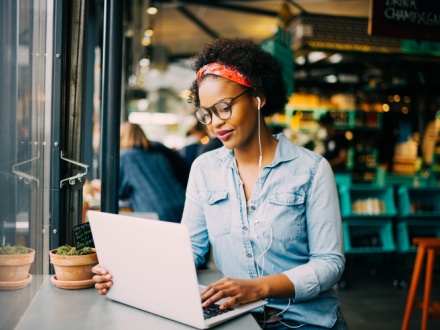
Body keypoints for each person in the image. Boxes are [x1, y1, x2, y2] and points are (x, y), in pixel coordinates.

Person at [93, 38, 347, 329]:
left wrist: (259, 288)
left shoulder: (311, 170)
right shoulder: (205, 169)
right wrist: (125, 273)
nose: (215, 123)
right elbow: (188, 249)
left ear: (258, 98)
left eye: (224, 107)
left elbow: (329, 264)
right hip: (238, 319)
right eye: (207, 113)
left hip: (306, 323)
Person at [118, 122, 186, 222]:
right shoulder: (158, 155)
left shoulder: (125, 157)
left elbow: (120, 193)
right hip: (181, 206)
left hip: (157, 213)